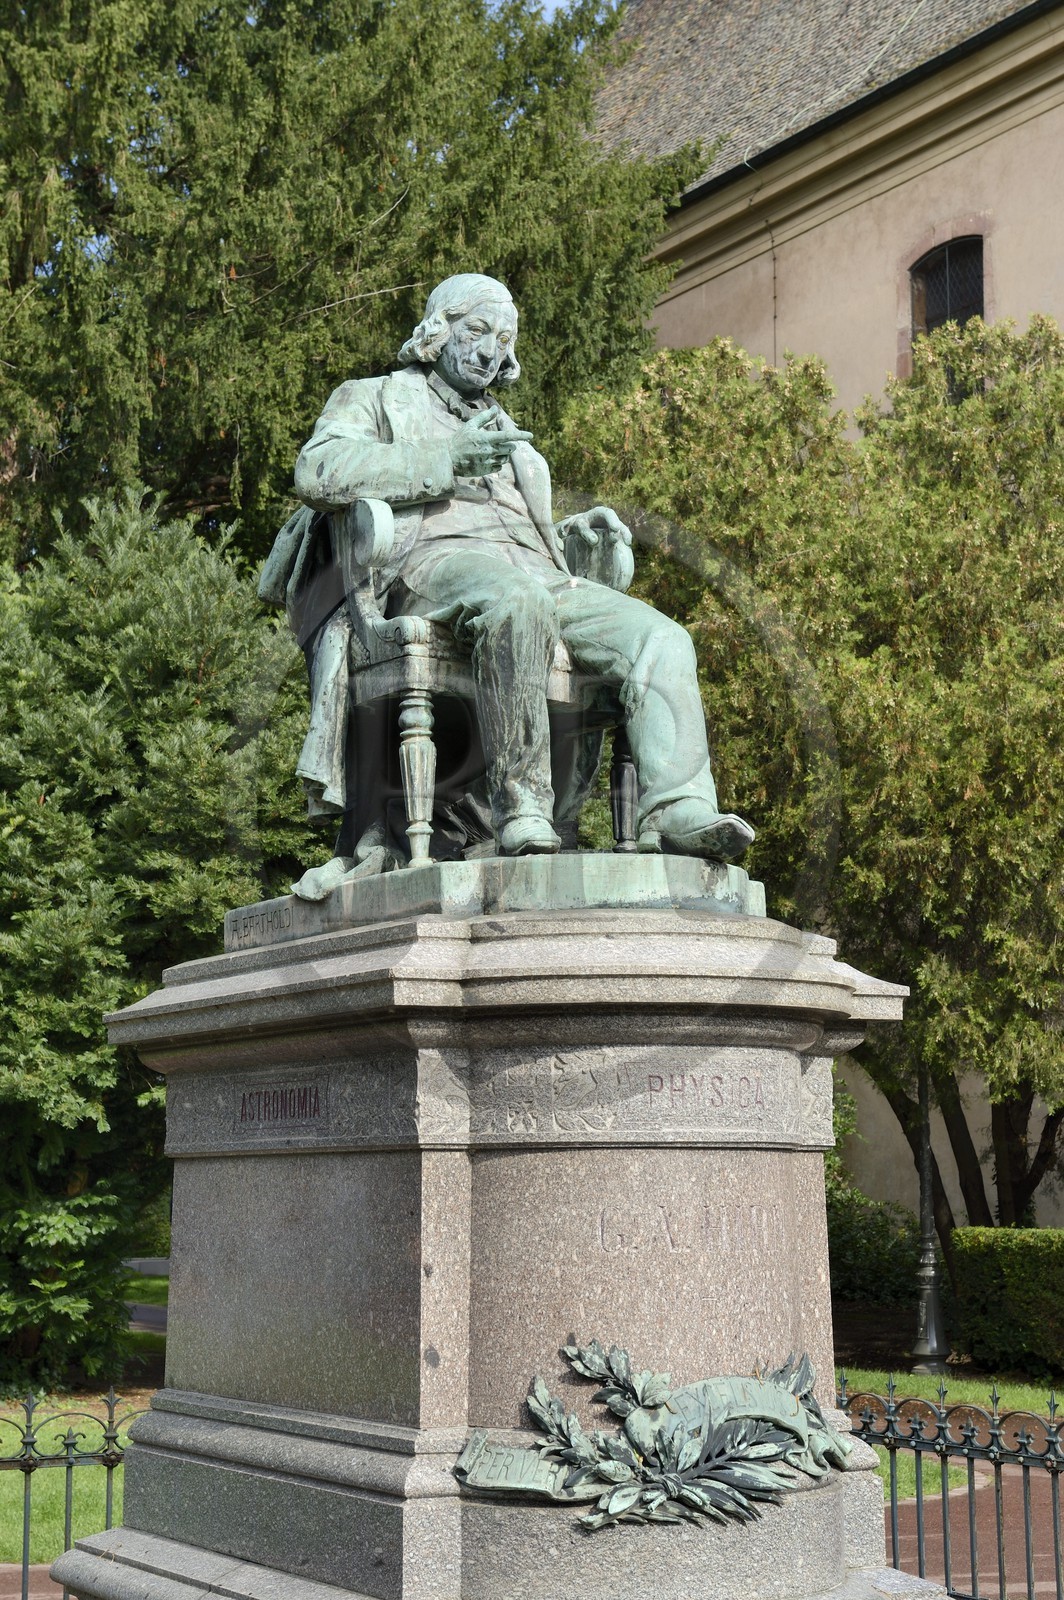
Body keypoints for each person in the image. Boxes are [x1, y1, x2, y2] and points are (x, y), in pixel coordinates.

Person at [262, 272, 753, 879]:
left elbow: (528, 532)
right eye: (477, 330)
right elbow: (318, 469)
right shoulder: (377, 396)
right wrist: (445, 460)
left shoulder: (511, 435)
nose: (492, 349)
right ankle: (522, 809)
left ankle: (676, 811)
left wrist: (581, 538)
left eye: (503, 337)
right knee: (516, 600)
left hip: (540, 574)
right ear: (438, 331)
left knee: (663, 636)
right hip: (433, 565)